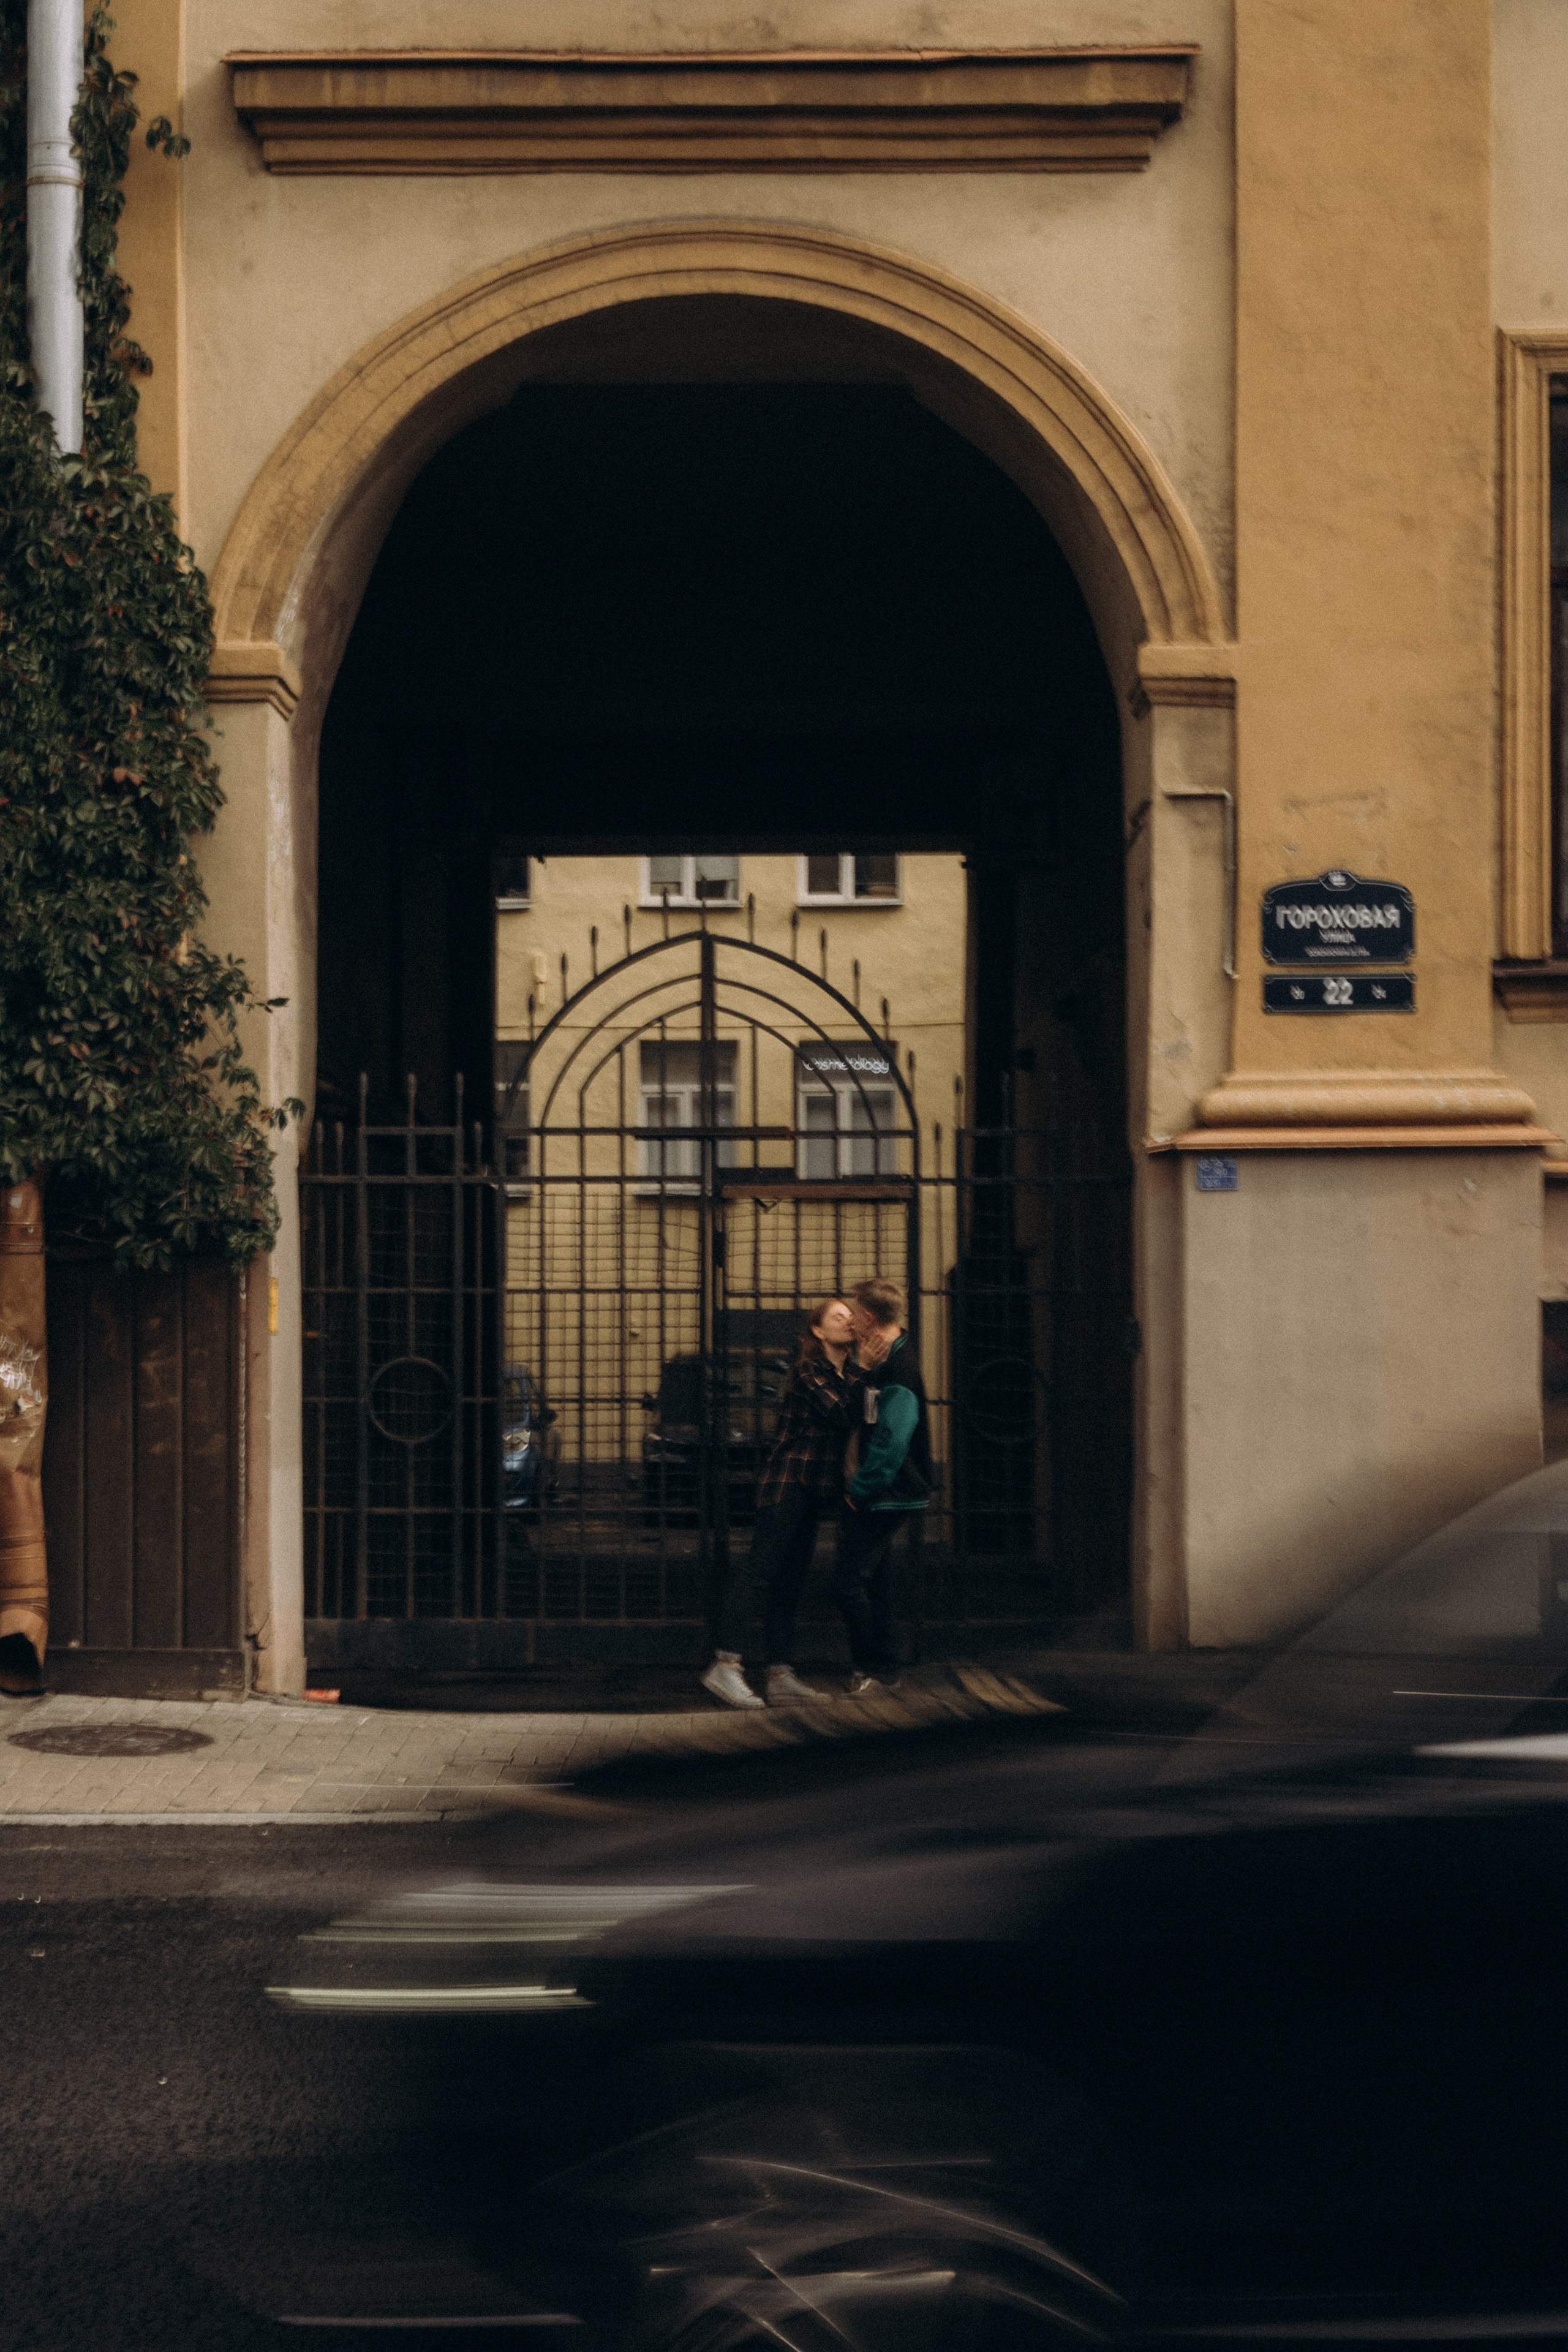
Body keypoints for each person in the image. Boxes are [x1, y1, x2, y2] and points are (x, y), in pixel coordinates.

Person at [701, 1298, 889, 1709]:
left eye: (851, 1317)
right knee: (761, 1573)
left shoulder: (847, 1373)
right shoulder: (810, 1370)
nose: (849, 1322)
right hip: (787, 1485)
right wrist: (866, 1369)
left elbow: (865, 1417)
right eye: (838, 1317)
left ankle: (781, 1675)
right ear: (819, 1332)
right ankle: (725, 1666)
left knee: (789, 1584)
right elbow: (841, 1414)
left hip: (813, 1493)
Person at [835, 1276, 932, 1695]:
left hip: (887, 1493)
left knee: (848, 1580)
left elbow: (891, 1440)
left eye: (855, 1314)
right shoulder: (886, 1361)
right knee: (874, 1581)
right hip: (887, 1491)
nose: (851, 1322)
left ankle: (871, 1668)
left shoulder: (900, 1369)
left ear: (870, 1318)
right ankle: (884, 1666)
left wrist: (861, 1491)